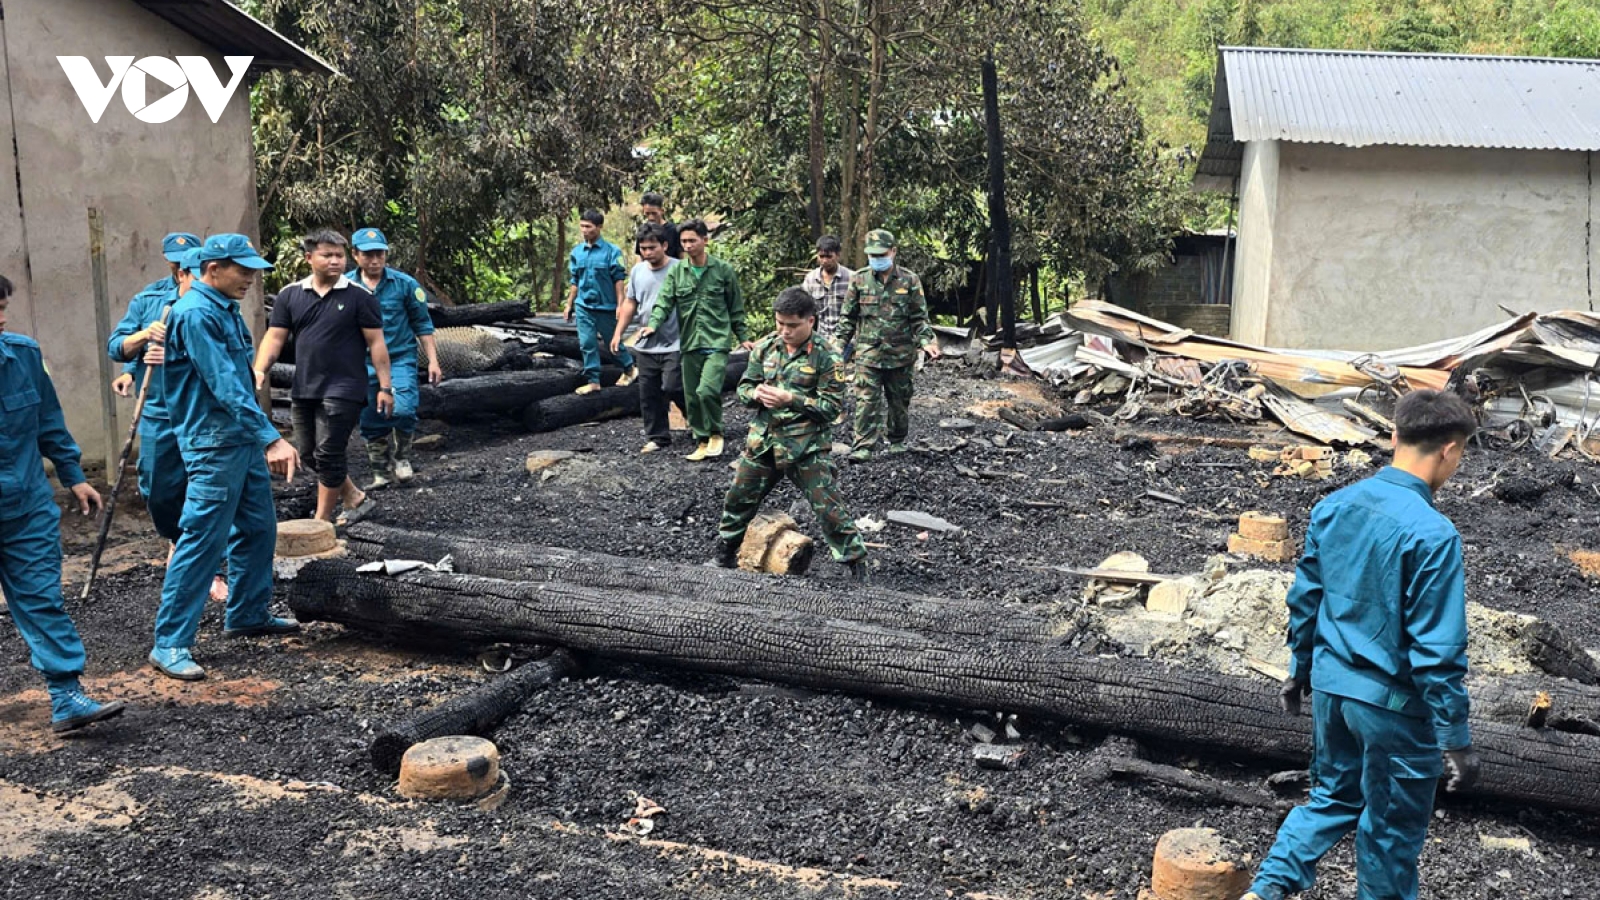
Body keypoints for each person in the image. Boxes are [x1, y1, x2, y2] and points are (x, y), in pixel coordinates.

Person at [1241, 389, 1482, 900]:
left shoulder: (1334, 507)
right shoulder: (1434, 535)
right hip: (1393, 709)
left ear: (1394, 437)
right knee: (1390, 833)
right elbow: (1437, 652)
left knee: (1329, 801)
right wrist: (1455, 740)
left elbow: (1305, 597)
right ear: (1450, 451)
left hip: (1331, 693)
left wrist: (1298, 671)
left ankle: (1262, 893)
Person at [152, 234, 302, 681]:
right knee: (202, 539)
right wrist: (270, 436)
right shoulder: (196, 314)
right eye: (243, 270)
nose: (252, 279)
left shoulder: (223, 309)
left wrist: (257, 437)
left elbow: (240, 380)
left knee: (258, 527)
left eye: (254, 270)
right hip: (212, 444)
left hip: (238, 439)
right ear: (212, 269)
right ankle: (170, 642)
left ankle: (247, 612)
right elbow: (224, 384)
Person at [0, 274, 126, 732]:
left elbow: (49, 419)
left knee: (43, 599)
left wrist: (73, 476)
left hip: (26, 507)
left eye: (2, 308)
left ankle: (66, 695)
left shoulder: (24, 356)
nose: (1, 318)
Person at [709, 287, 867, 582]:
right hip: (764, 442)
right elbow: (743, 388)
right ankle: (724, 555)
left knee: (829, 508)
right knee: (739, 498)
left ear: (811, 321)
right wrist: (754, 393)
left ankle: (856, 567)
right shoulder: (765, 347)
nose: (784, 331)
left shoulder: (828, 357)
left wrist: (790, 399)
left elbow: (831, 409)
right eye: (779, 323)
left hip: (805, 446)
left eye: (792, 325)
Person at [107, 237, 230, 603]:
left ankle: (213, 565)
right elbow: (119, 345)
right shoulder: (149, 299)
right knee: (157, 487)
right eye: (175, 263)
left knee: (205, 489)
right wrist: (140, 348)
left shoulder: (216, 303)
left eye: (187, 264)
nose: (181, 270)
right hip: (160, 409)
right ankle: (179, 538)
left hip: (200, 410)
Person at [253, 230, 392, 523]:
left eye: (339, 255)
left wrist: (385, 386)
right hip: (304, 388)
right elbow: (275, 337)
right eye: (327, 255)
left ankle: (322, 520)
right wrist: (260, 368)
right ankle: (354, 497)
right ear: (309, 258)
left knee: (330, 453)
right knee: (308, 455)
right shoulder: (290, 295)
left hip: (346, 387)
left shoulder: (359, 297)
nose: (335, 261)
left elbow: (376, 344)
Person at [637, 219, 751, 461]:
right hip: (689, 343)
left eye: (692, 240)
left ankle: (716, 432)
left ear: (705, 241)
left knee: (707, 390)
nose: (687, 246)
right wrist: (653, 325)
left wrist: (743, 337)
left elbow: (735, 307)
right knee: (691, 396)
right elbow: (665, 301)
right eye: (684, 241)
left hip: (717, 342)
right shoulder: (678, 271)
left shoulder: (723, 270)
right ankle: (701, 439)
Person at [348, 227, 442, 488]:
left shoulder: (405, 285)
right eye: (367, 255)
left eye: (379, 254)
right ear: (355, 255)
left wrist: (433, 360)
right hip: (361, 362)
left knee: (403, 408)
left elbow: (423, 325)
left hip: (398, 357)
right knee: (370, 416)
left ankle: (401, 456)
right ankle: (381, 472)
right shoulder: (344, 286)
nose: (374, 260)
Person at [835, 229, 940, 461]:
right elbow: (848, 319)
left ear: (893, 252)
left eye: (881, 254)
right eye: (872, 255)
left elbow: (919, 319)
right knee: (865, 401)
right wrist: (838, 345)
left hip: (900, 355)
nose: (876, 259)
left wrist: (927, 341)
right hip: (868, 355)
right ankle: (863, 446)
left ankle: (897, 441)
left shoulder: (910, 280)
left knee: (899, 401)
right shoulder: (859, 279)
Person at [612, 222, 686, 453]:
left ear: (664, 245)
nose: (647, 253)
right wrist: (618, 333)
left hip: (677, 340)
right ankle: (658, 436)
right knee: (648, 392)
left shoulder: (680, 269)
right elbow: (631, 303)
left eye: (652, 247)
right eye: (643, 248)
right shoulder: (638, 271)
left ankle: (696, 417)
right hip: (647, 343)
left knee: (673, 386)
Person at [564, 210, 635, 396]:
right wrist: (569, 304)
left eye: (588, 226)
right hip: (584, 306)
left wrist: (620, 304)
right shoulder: (577, 253)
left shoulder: (612, 252)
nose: (584, 230)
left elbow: (618, 280)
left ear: (599, 227)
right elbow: (575, 281)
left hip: (606, 307)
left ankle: (629, 368)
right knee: (587, 343)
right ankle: (593, 380)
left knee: (613, 344)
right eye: (582, 226)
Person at [800, 234, 853, 339]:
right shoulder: (811, 279)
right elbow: (804, 309)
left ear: (838, 255)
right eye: (821, 256)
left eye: (829, 257)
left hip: (846, 339)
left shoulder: (851, 278)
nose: (825, 260)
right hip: (821, 338)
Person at [637, 191, 683, 259]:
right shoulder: (643, 230)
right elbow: (639, 256)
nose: (651, 217)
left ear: (662, 211)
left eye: (654, 213)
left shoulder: (674, 230)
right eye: (647, 214)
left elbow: (681, 256)